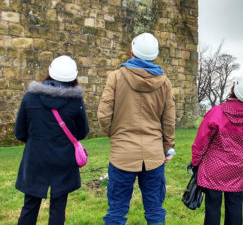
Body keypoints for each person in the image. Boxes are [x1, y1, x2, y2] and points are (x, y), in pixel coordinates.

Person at [98, 33, 176, 225]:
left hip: (122, 154)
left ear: (132, 51)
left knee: (116, 212)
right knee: (155, 210)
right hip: (153, 154)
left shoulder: (116, 77)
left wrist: (114, 135)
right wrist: (168, 147)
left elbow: (103, 115)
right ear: (154, 56)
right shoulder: (164, 82)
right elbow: (168, 120)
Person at [15, 55, 89, 225]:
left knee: (30, 206)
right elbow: (82, 132)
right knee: (58, 208)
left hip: (35, 159)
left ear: (50, 72)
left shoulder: (30, 98)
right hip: (63, 161)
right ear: (74, 76)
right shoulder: (75, 101)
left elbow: (20, 133)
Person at [191, 76, 243, 225]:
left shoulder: (216, 112)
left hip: (213, 168)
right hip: (237, 170)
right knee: (235, 208)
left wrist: (196, 162)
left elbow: (201, 141)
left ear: (233, 89)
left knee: (212, 209)